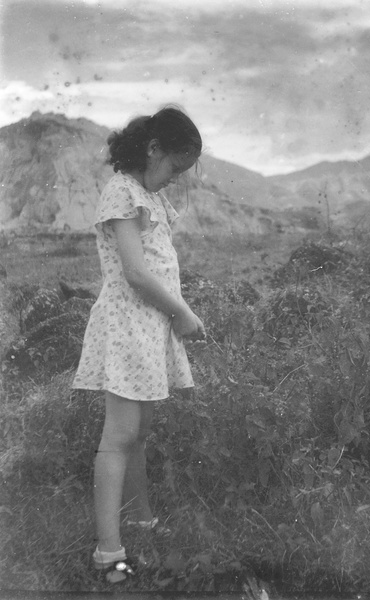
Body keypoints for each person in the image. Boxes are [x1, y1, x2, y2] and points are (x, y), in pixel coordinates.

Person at [72, 106, 206, 583]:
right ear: (153, 150)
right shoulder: (121, 193)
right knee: (119, 436)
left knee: (140, 431)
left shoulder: (145, 195)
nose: (174, 179)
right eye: (173, 167)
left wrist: (170, 316)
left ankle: (140, 521)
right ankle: (109, 551)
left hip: (148, 329)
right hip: (129, 325)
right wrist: (183, 312)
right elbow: (134, 271)